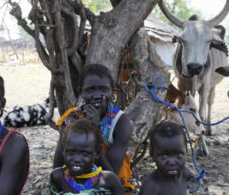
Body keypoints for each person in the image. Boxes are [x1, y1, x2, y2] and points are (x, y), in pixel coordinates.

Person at [54, 64, 134, 193]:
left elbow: (111, 175)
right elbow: (57, 168)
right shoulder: (71, 118)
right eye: (90, 90)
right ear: (81, 92)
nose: (97, 95)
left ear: (112, 90)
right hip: (73, 183)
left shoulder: (121, 123)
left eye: (103, 89)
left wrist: (94, 129)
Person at [50, 119, 124, 194]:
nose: (77, 159)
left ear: (97, 154)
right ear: (63, 151)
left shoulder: (109, 180)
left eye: (85, 154)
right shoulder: (58, 178)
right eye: (71, 152)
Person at [138, 121, 193, 195]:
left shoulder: (185, 174)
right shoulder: (151, 186)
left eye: (179, 155)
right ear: (152, 154)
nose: (172, 162)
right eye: (163, 156)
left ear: (186, 152)